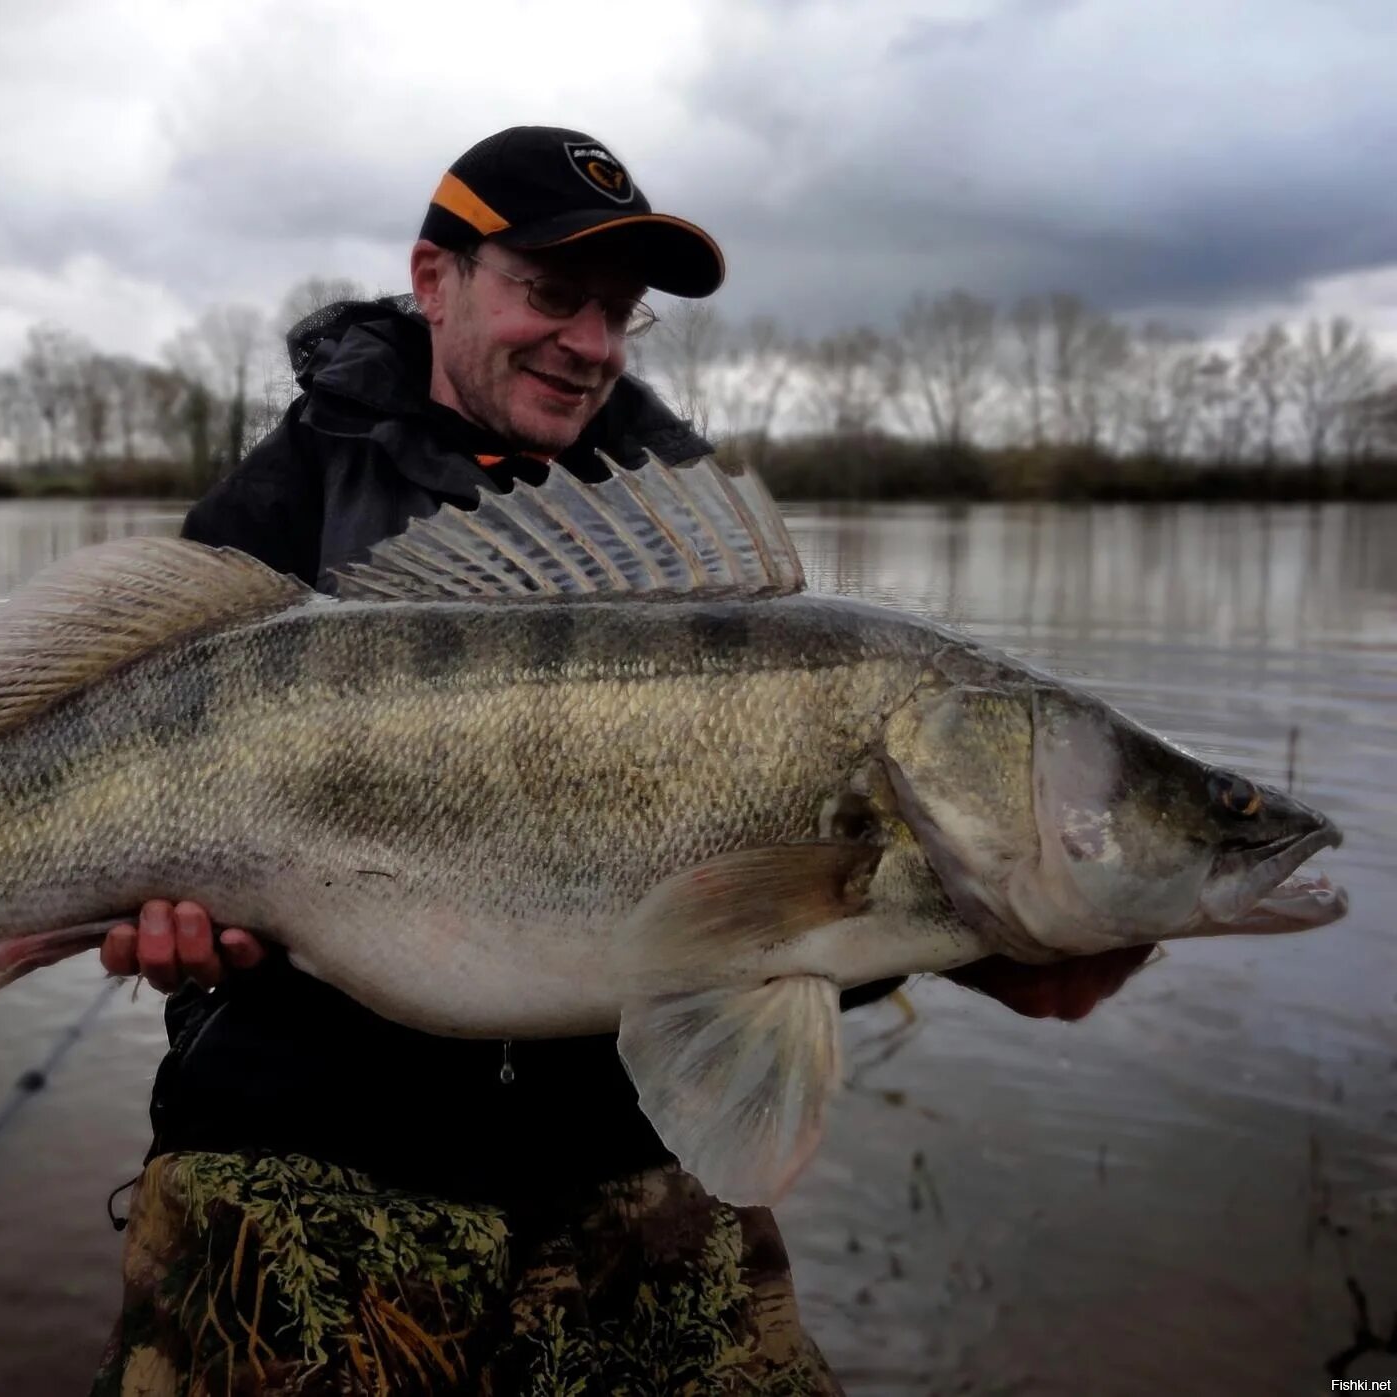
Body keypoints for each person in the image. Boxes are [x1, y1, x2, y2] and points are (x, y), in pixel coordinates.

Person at [88, 126, 1148, 1395]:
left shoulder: (692, 538)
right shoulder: (283, 503)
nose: (588, 343)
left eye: (617, 313)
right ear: (435, 278)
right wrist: (178, 935)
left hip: (618, 1146)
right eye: (549, 292)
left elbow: (746, 896)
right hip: (303, 1130)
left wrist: (992, 937)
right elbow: (116, 753)